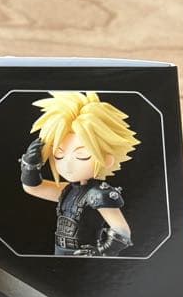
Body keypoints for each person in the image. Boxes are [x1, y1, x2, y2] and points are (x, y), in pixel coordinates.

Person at [19, 91, 138, 256]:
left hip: (83, 258)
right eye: (59, 155)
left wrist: (99, 252)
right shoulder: (68, 190)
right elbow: (33, 188)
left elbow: (122, 231)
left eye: (82, 155)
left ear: (106, 159)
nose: (67, 164)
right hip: (59, 252)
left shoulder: (98, 194)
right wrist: (30, 166)